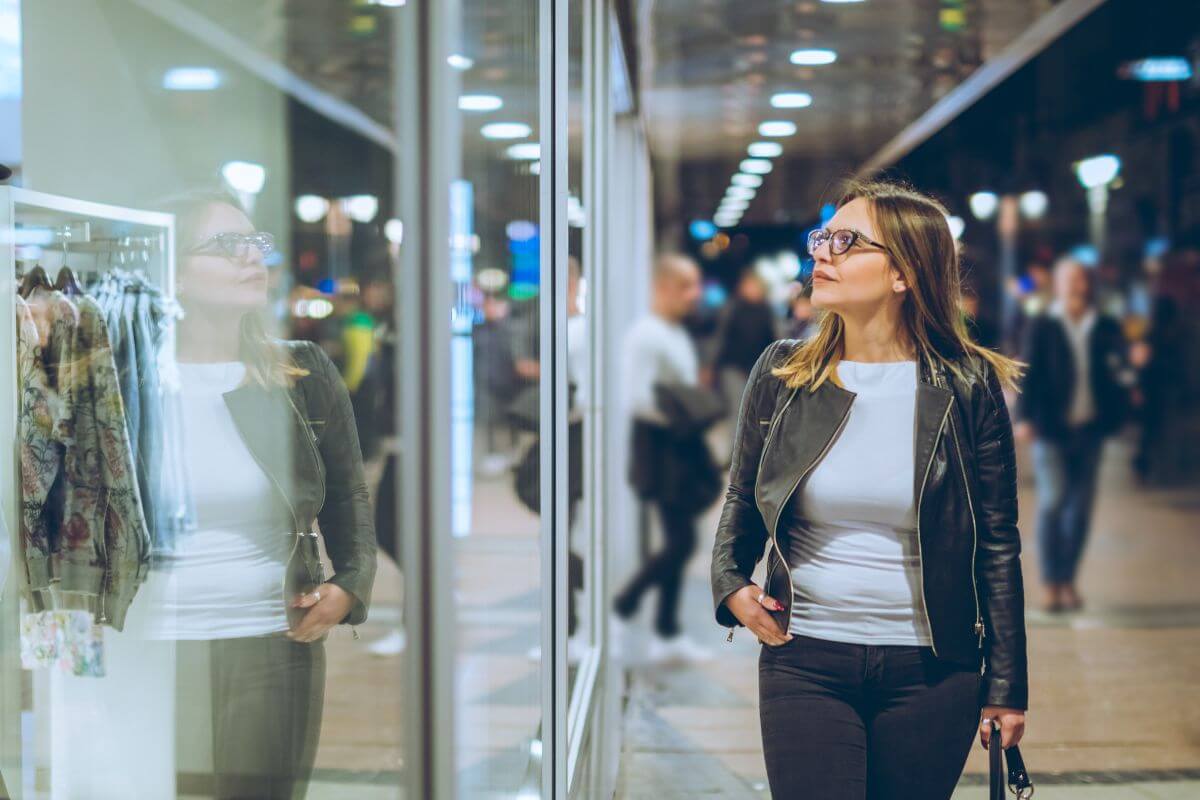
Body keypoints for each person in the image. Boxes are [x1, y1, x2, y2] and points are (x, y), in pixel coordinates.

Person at [711, 180, 1028, 799]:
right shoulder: (782, 375)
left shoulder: (968, 387)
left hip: (933, 671)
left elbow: (997, 543)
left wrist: (1007, 685)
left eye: (847, 242)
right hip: (804, 658)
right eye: (822, 238)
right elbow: (743, 499)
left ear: (904, 273)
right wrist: (730, 585)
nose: (822, 254)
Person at [151, 191, 377, 798]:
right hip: (152, 644)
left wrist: (350, 584)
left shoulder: (298, 372)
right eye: (227, 246)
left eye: (256, 243)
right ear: (173, 267)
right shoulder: (130, 378)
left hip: (270, 636)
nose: (253, 258)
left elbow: (347, 492)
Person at [613, 253, 716, 663]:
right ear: (662, 288)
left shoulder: (673, 332)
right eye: (685, 286)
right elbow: (635, 398)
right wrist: (681, 417)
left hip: (679, 442)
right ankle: (626, 605)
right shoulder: (646, 335)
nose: (694, 295)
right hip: (663, 446)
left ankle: (666, 631)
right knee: (682, 540)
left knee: (682, 538)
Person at [1015, 257, 1130, 613]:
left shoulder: (1106, 324)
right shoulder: (1043, 324)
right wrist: (1023, 417)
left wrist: (1121, 410)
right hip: (1051, 428)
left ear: (1087, 283)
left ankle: (1068, 581)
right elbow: (1028, 372)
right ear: (1057, 284)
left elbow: (1120, 371)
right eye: (1066, 278)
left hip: (1091, 429)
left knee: (1080, 509)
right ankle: (1051, 582)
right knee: (1053, 501)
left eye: (1079, 277)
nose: (1073, 283)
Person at [714, 269, 778, 419]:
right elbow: (720, 337)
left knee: (756, 411)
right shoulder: (733, 308)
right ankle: (734, 442)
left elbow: (774, 338)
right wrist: (711, 365)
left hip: (758, 370)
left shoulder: (767, 311)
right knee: (737, 410)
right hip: (733, 367)